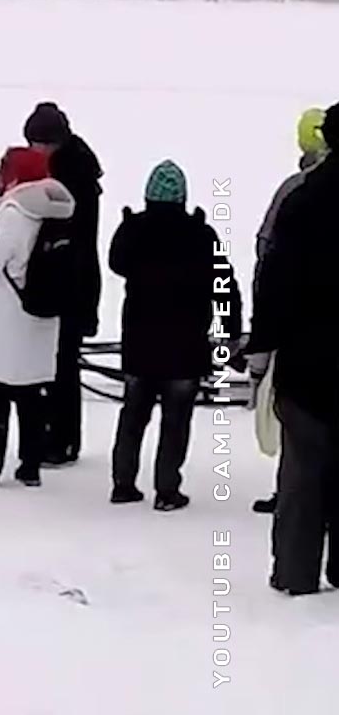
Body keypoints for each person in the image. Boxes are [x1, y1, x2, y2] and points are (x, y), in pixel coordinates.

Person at [104, 160, 239, 511]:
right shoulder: (201, 235)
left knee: (132, 417)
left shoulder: (135, 230)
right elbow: (224, 287)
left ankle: (123, 483)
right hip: (185, 347)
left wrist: (127, 225)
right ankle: (167, 489)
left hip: (140, 343)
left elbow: (116, 263)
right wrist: (230, 333)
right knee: (176, 422)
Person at [247, 103, 339, 596]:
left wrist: (262, 351)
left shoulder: (301, 203)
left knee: (302, 475)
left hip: (306, 360)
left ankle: (295, 573)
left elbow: (275, 282)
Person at [0, 147, 73, 487]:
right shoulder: (59, 212)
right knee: (31, 397)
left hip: (5, 321)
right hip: (41, 319)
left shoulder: (14, 215)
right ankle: (30, 466)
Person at [23, 102, 104, 466]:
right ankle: (59, 437)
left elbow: (66, 230)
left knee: (61, 364)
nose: (34, 151)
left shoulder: (70, 177)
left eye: (38, 144)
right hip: (74, 275)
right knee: (58, 362)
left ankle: (62, 440)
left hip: (69, 278)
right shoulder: (74, 168)